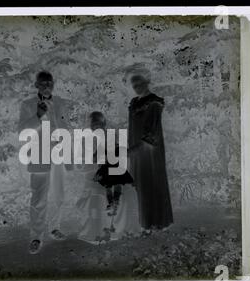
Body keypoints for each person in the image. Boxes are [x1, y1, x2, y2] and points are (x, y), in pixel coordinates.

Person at [18, 71, 72, 254]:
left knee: (59, 195)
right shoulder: (27, 105)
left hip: (58, 155)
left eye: (50, 82)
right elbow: (22, 132)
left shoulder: (61, 103)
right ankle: (36, 236)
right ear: (36, 85)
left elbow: (68, 127)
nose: (47, 86)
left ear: (53, 84)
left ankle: (55, 227)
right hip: (39, 156)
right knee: (39, 198)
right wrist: (38, 116)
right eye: (43, 83)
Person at [76, 112, 139, 244]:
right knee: (97, 193)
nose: (96, 128)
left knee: (125, 192)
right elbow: (83, 165)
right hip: (95, 176)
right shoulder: (85, 140)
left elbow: (120, 158)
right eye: (94, 126)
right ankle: (99, 232)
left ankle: (118, 230)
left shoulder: (111, 137)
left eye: (99, 125)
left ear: (104, 125)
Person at [126, 65, 173, 232]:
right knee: (140, 183)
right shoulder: (133, 103)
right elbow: (132, 129)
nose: (137, 87)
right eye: (134, 85)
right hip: (137, 151)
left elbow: (150, 133)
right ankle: (145, 221)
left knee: (151, 182)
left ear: (147, 81)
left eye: (140, 83)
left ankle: (156, 222)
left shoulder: (154, 102)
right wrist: (130, 148)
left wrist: (131, 151)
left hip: (150, 150)